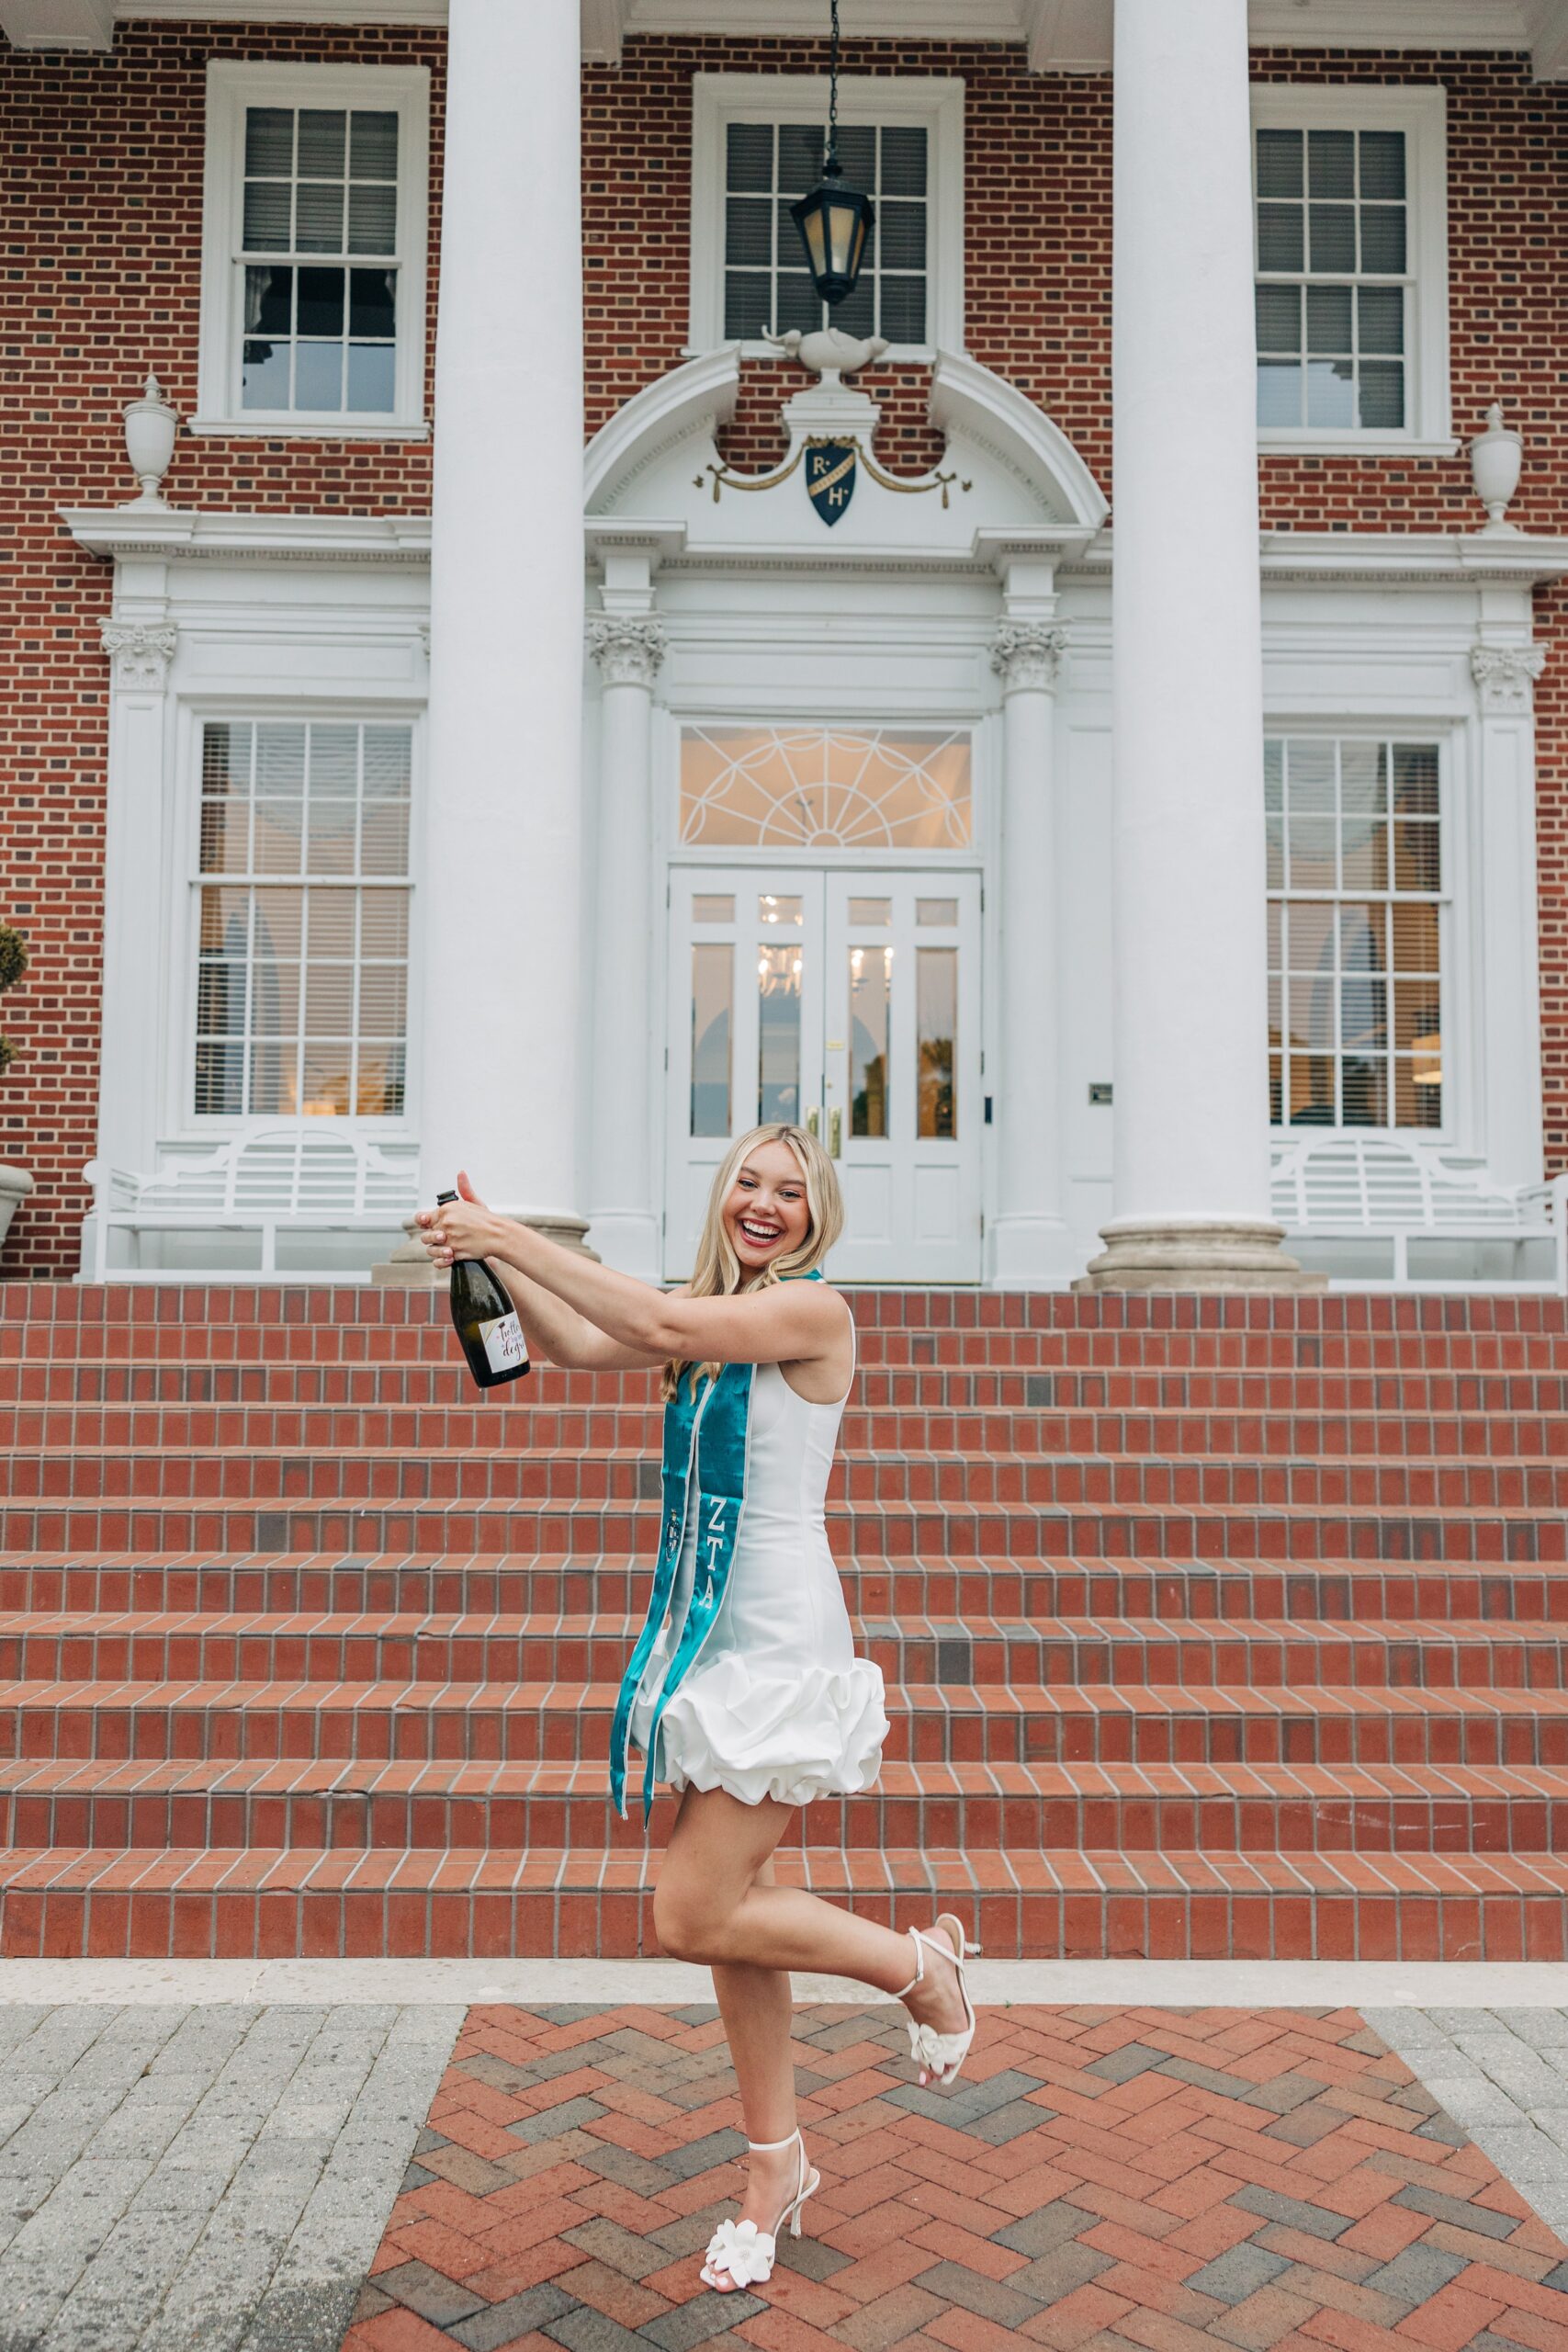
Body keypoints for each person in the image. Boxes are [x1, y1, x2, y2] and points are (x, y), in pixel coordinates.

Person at [419, 1124, 977, 2296]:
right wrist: (492, 1266)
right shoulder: (706, 1321)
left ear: (818, 1215)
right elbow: (578, 1340)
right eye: (747, 1184)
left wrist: (511, 1231)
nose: (763, 1204)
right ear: (723, 1197)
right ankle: (777, 2164)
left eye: (789, 1190)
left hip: (777, 1641)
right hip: (705, 1637)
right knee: (737, 1910)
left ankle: (916, 1964)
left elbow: (662, 1325)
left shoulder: (813, 1314)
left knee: (688, 1910)